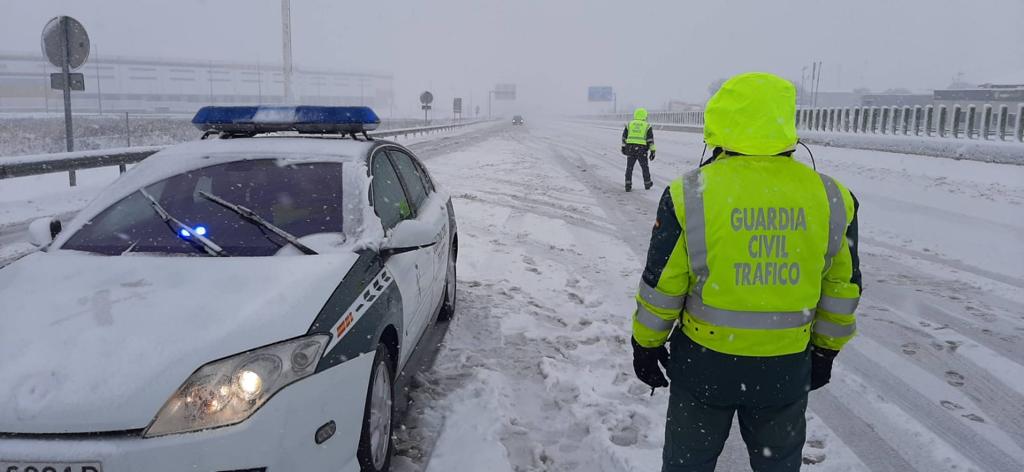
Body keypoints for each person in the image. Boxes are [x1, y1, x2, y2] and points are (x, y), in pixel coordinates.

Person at [629, 72, 861, 472]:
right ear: (785, 124)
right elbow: (841, 289)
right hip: (785, 369)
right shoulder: (833, 197)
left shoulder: (689, 193)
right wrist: (825, 351)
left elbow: (663, 287)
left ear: (717, 124)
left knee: (688, 462)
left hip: (705, 366)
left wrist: (646, 345)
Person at [621, 107, 656, 191]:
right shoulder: (647, 126)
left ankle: (628, 184)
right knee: (644, 167)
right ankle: (647, 183)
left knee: (629, 167)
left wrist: (623, 147)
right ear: (645, 116)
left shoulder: (629, 124)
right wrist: (652, 151)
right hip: (642, 149)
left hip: (630, 148)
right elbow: (650, 140)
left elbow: (624, 137)